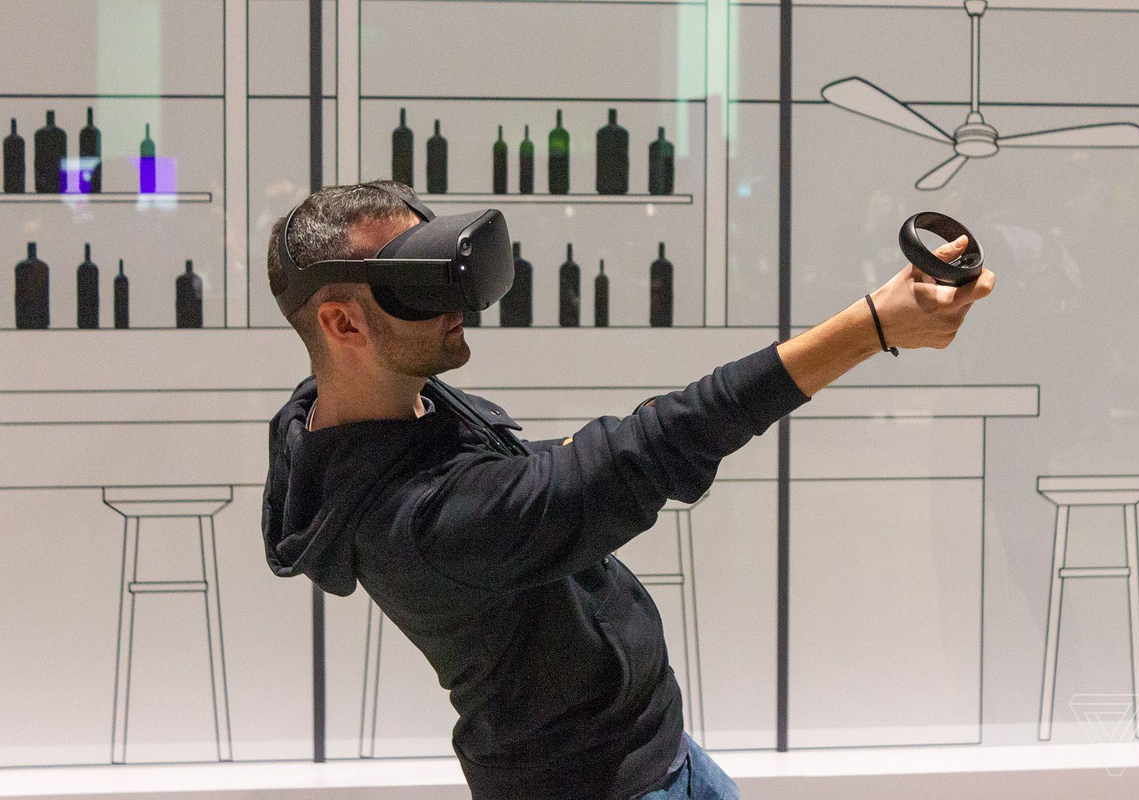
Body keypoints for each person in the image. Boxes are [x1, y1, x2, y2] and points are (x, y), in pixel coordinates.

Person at [260, 180, 995, 800]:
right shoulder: (423, 522)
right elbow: (655, 447)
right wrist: (872, 326)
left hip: (646, 747)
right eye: (415, 286)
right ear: (341, 323)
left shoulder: (346, 413)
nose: (458, 301)